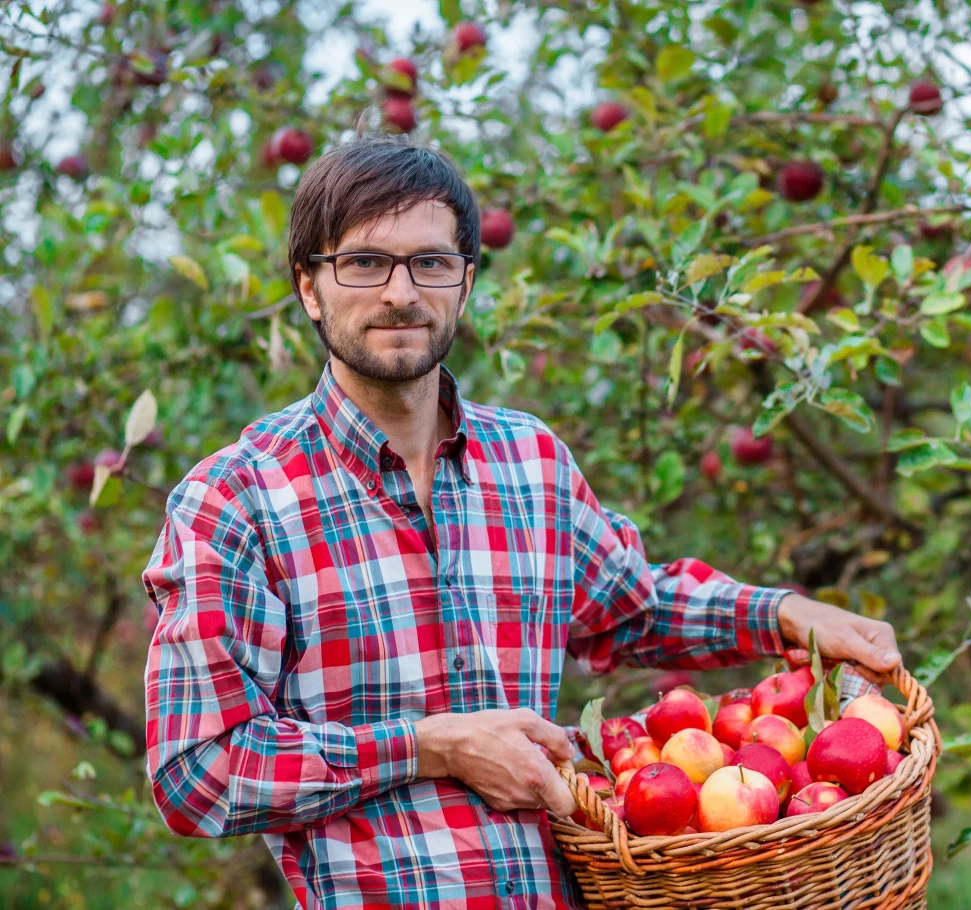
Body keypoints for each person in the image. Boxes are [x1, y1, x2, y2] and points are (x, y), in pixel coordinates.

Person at [141, 135, 902, 910]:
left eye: (430, 263)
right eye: (365, 263)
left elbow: (634, 607)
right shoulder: (237, 500)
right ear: (309, 286)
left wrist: (787, 615)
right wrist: (430, 748)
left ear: (465, 284)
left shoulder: (530, 461)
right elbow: (197, 771)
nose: (401, 292)